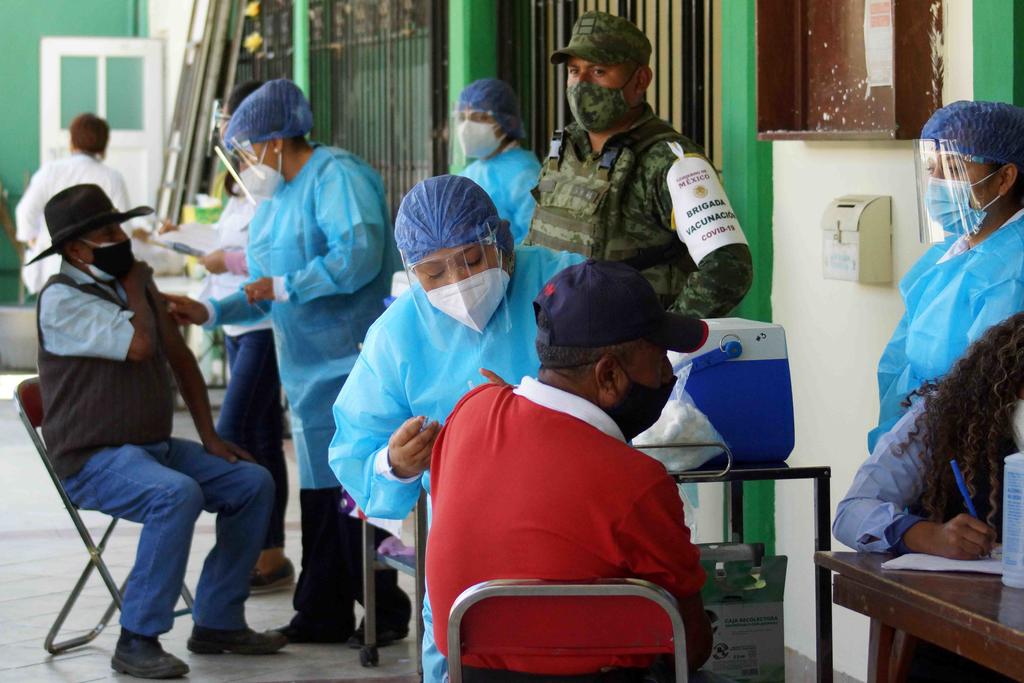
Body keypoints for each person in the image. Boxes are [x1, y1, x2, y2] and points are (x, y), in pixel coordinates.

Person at [164, 78, 411, 646]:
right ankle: (322, 612)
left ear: (275, 139)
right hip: (305, 370)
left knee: (356, 492)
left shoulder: (336, 176)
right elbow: (261, 284)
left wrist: (287, 284)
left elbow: (358, 254)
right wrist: (209, 310)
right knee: (321, 496)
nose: (248, 162)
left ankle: (385, 611)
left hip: (350, 362)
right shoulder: (275, 200)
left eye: (249, 148)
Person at [329, 174, 584, 680]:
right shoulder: (398, 334)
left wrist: (539, 414)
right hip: (468, 543)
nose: (458, 283)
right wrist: (395, 463)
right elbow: (356, 448)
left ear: (501, 240)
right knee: (461, 654)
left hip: (578, 520)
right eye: (433, 272)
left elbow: (630, 383)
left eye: (471, 259)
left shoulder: (568, 286)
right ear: (412, 272)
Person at [30, 184, 286, 679]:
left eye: (119, 228)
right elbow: (140, 346)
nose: (121, 239)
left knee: (251, 483)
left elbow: (180, 357)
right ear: (76, 249)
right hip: (90, 458)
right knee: (174, 495)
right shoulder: (61, 299)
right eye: (109, 233)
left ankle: (218, 620)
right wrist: (136, 286)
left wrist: (211, 438)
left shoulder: (131, 284)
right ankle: (137, 638)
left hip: (152, 448)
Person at [427, 259, 712, 680]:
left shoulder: (471, 412)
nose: (667, 375)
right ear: (609, 375)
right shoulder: (638, 482)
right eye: (659, 360)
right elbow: (690, 647)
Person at [835, 313, 1024, 683]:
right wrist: (927, 535)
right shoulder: (941, 419)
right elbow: (852, 512)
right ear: (1004, 385)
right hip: (953, 639)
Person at [525, 11, 752, 317]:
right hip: (553, 336)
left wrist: (664, 334)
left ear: (640, 80)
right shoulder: (564, 147)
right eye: (575, 71)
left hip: (626, 342)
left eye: (599, 71)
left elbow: (728, 268)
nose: (581, 84)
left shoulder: (671, 161)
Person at [163, 79, 294, 593]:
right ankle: (268, 553)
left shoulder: (274, 182)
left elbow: (272, 253)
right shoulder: (240, 179)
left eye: (231, 124)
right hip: (233, 318)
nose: (225, 133)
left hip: (262, 323)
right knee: (259, 438)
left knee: (231, 433)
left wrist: (230, 261)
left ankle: (238, 561)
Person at [870, 100, 1024, 452]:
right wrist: (892, 448)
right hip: (918, 447)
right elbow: (899, 369)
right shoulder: (948, 254)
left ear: (1004, 178)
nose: (937, 182)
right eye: (932, 167)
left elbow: (986, 392)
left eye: (953, 168)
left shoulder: (1013, 271)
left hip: (970, 460)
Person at [17, 113, 133, 294]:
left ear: (71, 140)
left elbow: (24, 214)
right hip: (97, 271)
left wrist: (39, 244)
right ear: (104, 143)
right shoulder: (112, 177)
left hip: (52, 269)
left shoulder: (50, 172)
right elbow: (125, 230)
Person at [454, 78, 540, 243]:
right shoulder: (471, 172)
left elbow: (536, 240)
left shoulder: (525, 174)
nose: (467, 127)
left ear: (507, 122)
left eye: (479, 117)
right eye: (463, 117)